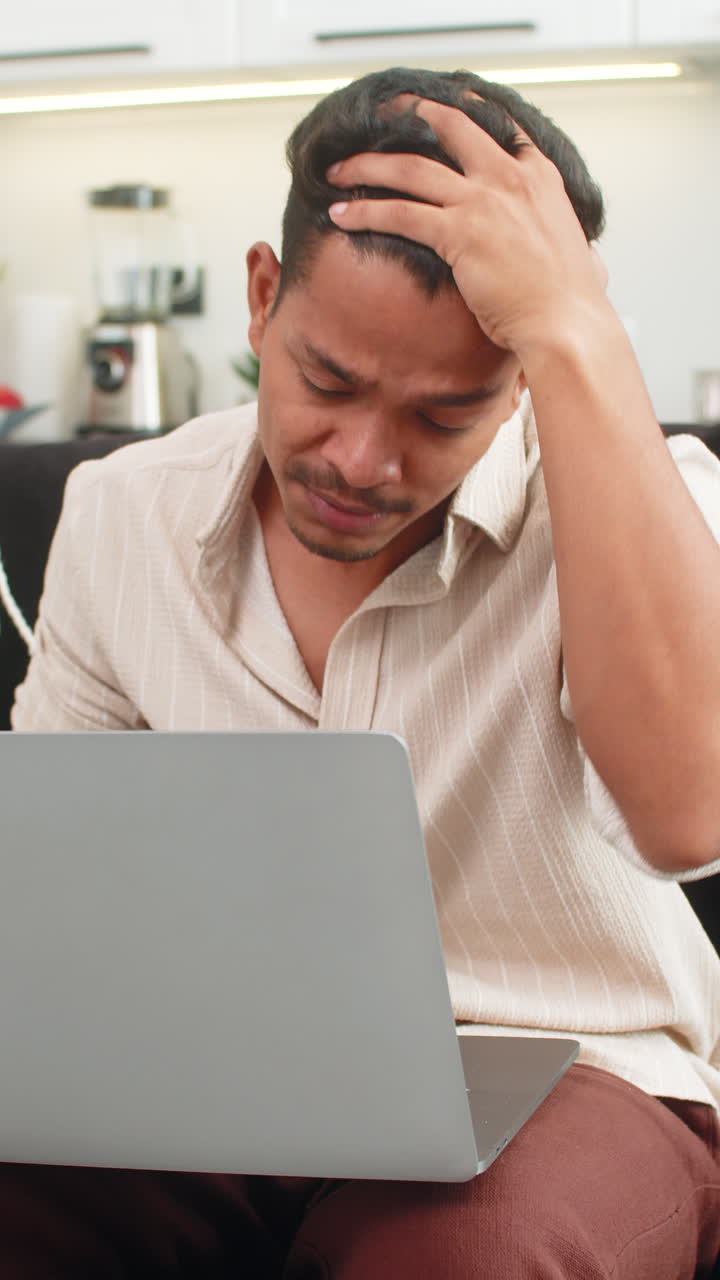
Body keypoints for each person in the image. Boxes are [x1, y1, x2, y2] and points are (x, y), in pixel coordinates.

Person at [8, 65, 720, 1277]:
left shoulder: (646, 504)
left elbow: (686, 810)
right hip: (225, 1076)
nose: (361, 459)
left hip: (583, 1071)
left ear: (519, 387)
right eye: (327, 381)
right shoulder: (121, 512)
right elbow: (45, 901)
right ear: (262, 295)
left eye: (444, 415)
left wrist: (575, 330)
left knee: (461, 1256)